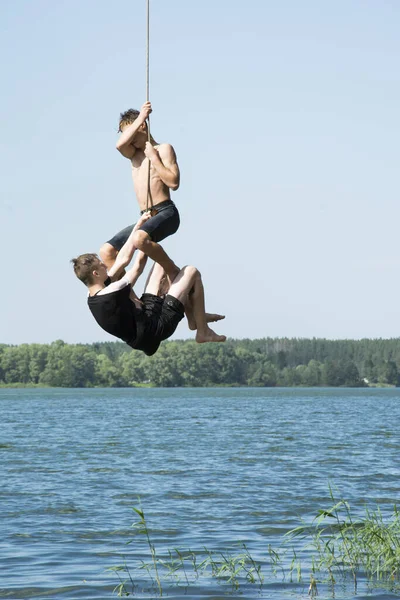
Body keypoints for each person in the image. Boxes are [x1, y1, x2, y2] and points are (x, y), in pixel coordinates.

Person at [72, 215, 226, 356]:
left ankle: (193, 318)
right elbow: (138, 266)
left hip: (145, 318)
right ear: (95, 274)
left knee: (161, 264)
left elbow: (121, 260)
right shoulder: (113, 291)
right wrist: (144, 241)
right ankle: (202, 330)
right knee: (191, 272)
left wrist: (139, 226)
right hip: (155, 329)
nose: (106, 266)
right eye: (101, 265)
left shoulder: (93, 294)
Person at [99, 101, 181, 283]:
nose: (129, 139)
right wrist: (141, 116)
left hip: (166, 212)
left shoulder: (163, 149)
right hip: (144, 217)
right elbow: (119, 145)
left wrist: (155, 159)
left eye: (131, 132)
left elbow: (174, 183)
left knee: (139, 239)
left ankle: (172, 271)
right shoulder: (133, 155)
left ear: (142, 126)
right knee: (106, 251)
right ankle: (127, 295)